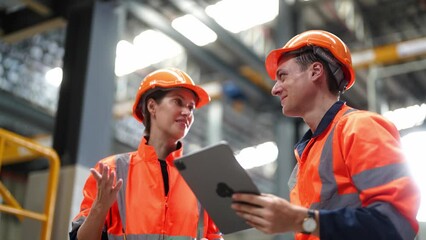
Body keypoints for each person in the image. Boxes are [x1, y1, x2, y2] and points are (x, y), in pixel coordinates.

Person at [231, 30, 420, 239]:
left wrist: (298, 219)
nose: (275, 89)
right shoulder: (308, 154)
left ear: (315, 71)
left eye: (282, 76)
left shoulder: (360, 127)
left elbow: (395, 223)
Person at [69, 68, 223, 240]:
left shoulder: (200, 180)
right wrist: (99, 208)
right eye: (178, 102)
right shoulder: (113, 170)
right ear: (151, 106)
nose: (187, 112)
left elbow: (214, 236)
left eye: (191, 107)